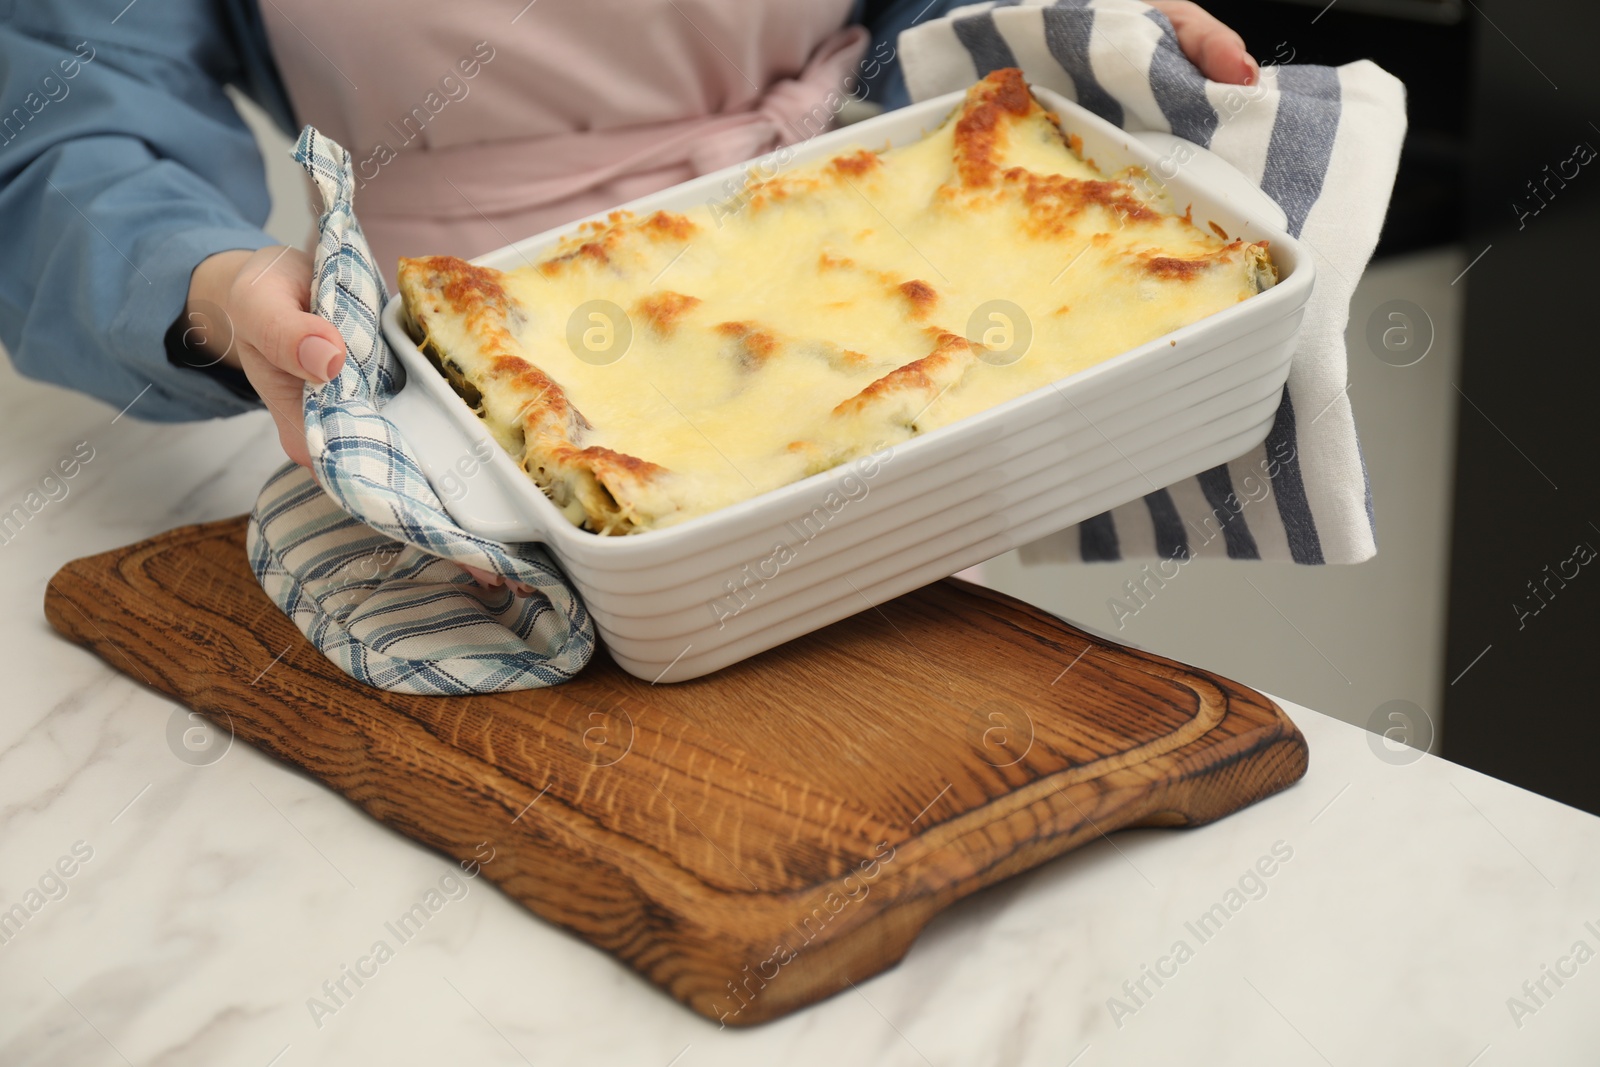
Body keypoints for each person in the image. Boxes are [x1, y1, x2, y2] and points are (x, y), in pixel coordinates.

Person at [0, 0, 1254, 487]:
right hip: (451, 393)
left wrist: (1060, 23)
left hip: (884, 317)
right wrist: (218, 286)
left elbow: (918, 18)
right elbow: (62, 124)